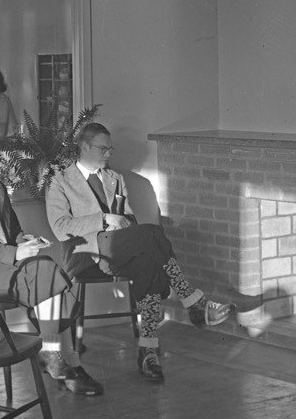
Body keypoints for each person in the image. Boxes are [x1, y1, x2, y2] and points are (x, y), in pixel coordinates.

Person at [45, 122, 234, 383]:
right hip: (86, 254)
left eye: (110, 149)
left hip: (118, 250)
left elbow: (130, 221)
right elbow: (60, 227)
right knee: (152, 234)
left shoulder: (115, 179)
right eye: (103, 149)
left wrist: (121, 224)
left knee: (148, 261)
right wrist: (105, 219)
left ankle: (148, 350)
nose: (109, 154)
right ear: (85, 147)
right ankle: (191, 302)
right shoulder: (59, 180)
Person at [0, 129, 98, 395]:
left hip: (2, 264)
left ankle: (59, 357)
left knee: (46, 268)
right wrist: (15, 254)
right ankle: (66, 359)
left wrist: (26, 242)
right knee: (46, 275)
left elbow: (12, 230)